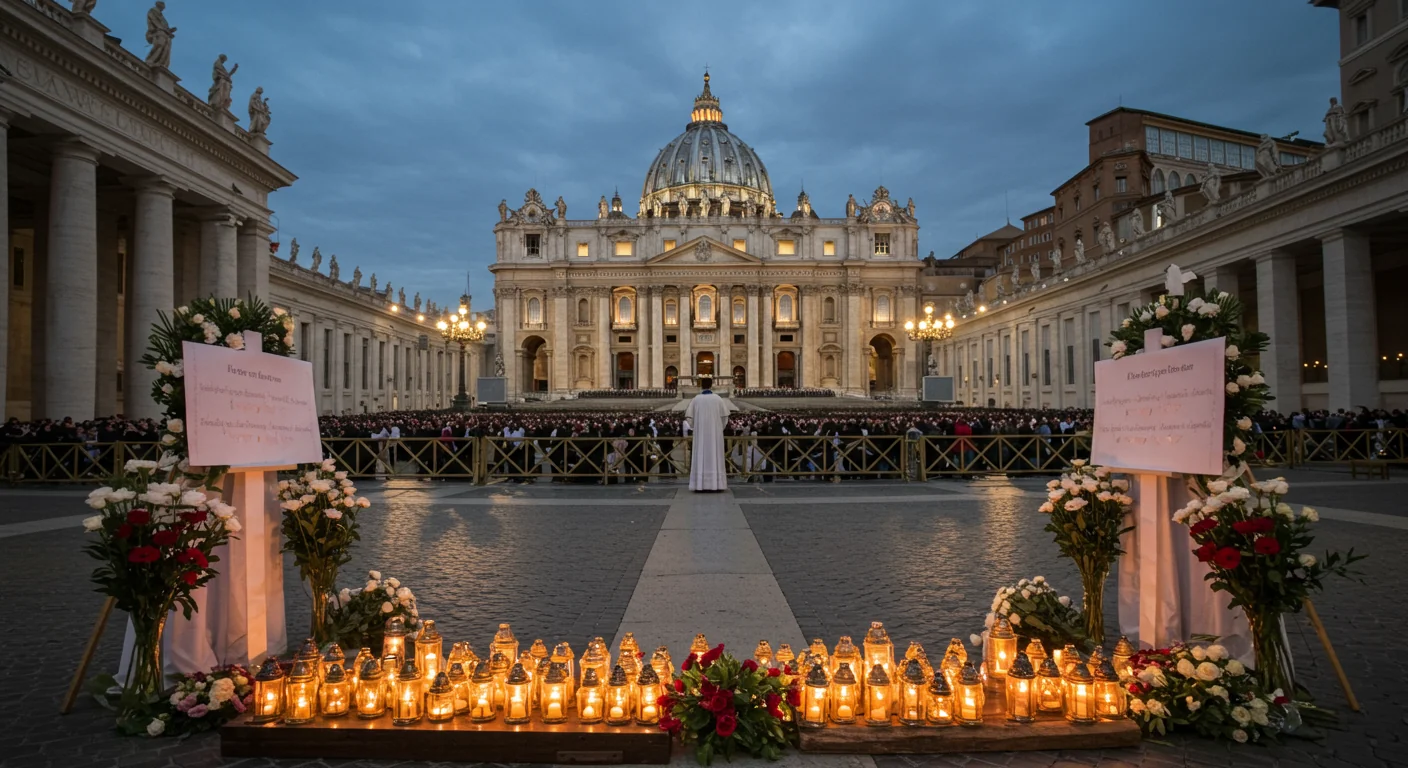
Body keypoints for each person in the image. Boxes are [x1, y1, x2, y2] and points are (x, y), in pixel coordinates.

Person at [685, 376, 728, 492]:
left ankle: (700, 484)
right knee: (715, 456)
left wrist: (697, 427)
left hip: (700, 435)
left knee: (700, 456)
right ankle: (717, 484)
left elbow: (689, 418)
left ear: (701, 385)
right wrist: (718, 428)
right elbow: (725, 418)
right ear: (711, 385)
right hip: (715, 435)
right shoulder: (718, 399)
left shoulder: (696, 399)